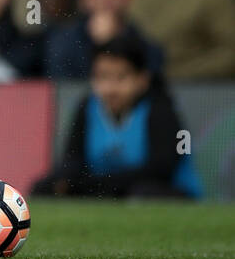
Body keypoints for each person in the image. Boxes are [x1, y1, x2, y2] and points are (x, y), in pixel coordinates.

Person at [34, 34, 201, 199]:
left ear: (143, 79)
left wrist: (94, 185)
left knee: (143, 193)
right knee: (45, 188)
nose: (111, 88)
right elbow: (72, 161)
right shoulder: (88, 106)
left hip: (159, 191)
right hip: (104, 189)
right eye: (103, 77)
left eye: (121, 77)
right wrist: (65, 182)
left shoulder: (160, 109)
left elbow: (160, 169)